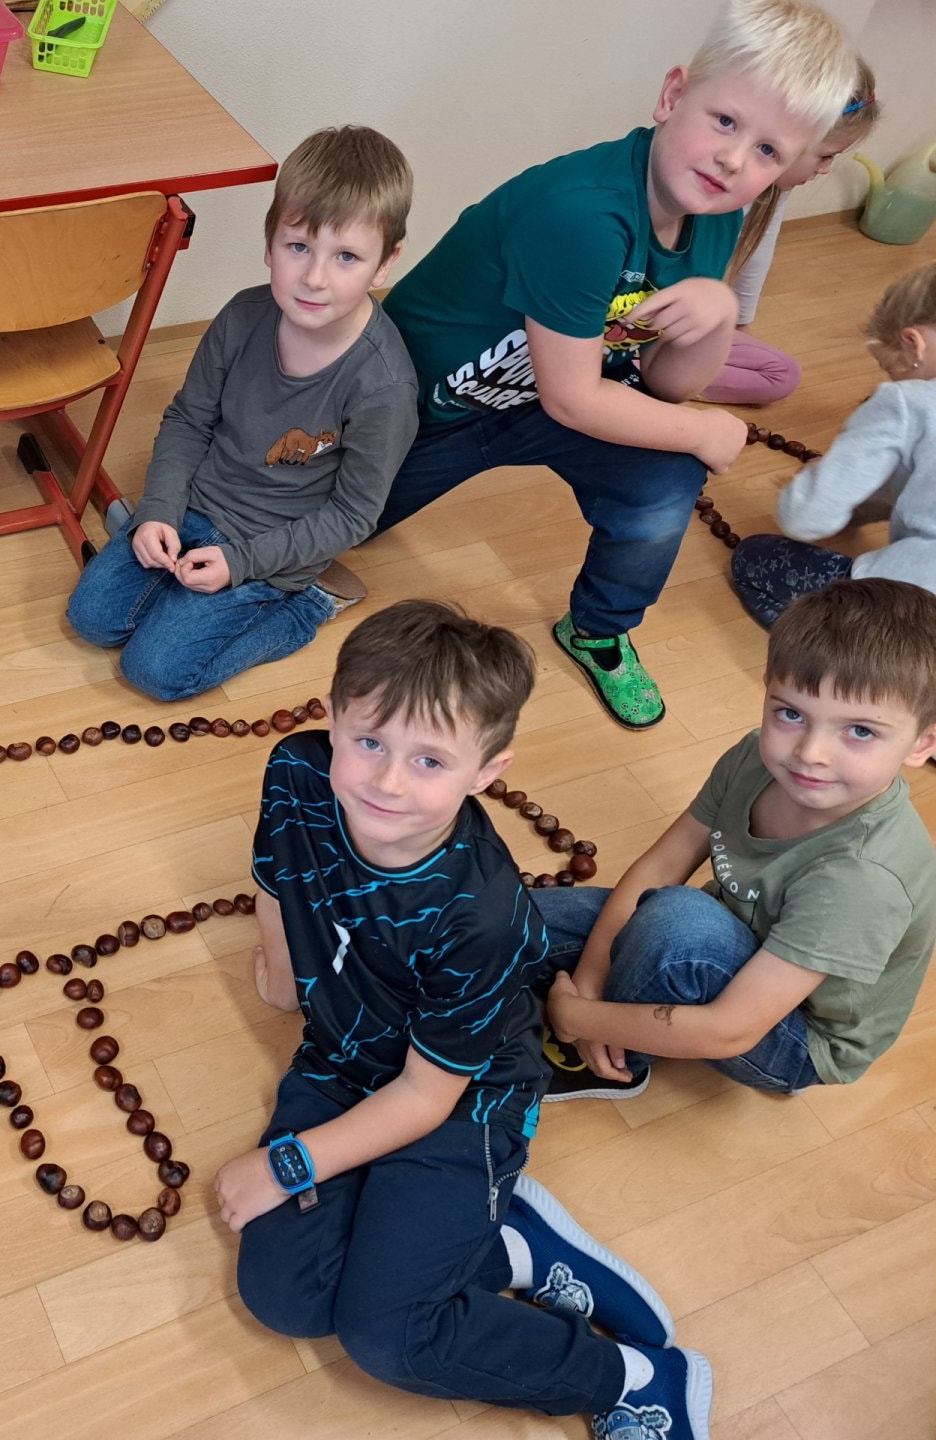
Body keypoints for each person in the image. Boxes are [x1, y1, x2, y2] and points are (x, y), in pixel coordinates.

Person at [221, 600, 709, 1437]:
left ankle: (633, 1378)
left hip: (462, 1101)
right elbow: (278, 872)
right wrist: (279, 972)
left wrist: (289, 1165)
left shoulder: (479, 914)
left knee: (388, 1336)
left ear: (488, 770)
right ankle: (510, 1249)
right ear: (332, 718)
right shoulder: (297, 769)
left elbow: (423, 1097)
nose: (387, 781)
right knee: (287, 1298)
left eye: (430, 760)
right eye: (369, 741)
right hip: (343, 1060)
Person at [374, 0, 858, 730]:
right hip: (429, 407)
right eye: (724, 121)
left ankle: (597, 629)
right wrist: (706, 430)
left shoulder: (718, 212)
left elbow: (668, 383)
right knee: (333, 534)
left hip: (548, 396)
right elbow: (574, 399)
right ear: (672, 96)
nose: (733, 159)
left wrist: (718, 311)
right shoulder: (581, 213)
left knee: (666, 476)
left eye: (766, 150)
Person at [539, 579, 936, 1103]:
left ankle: (613, 1062)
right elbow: (661, 865)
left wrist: (578, 1017)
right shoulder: (755, 756)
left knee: (678, 924)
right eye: (790, 714)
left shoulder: (865, 879)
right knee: (515, 913)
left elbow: (730, 1030)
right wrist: (591, 980)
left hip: (793, 1034)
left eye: (860, 731)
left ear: (923, 744)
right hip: (724, 939)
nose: (810, 752)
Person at [64, 126, 419, 701]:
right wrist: (158, 511)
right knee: (93, 620)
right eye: (298, 246)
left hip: (274, 547)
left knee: (155, 672)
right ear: (269, 243)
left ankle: (309, 605)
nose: (314, 277)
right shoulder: (241, 315)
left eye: (347, 257)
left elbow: (353, 514)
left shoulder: (384, 386)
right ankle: (173, 569)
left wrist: (241, 562)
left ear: (384, 264)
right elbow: (188, 420)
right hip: (198, 505)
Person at [730, 262, 936, 625]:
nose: (893, 380)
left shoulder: (906, 403)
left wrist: (814, 485)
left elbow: (805, 518)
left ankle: (842, 647)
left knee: (752, 559)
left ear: (913, 343)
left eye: (892, 369)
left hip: (912, 613)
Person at [700, 61, 880, 405]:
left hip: (682, 327)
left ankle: (652, 378)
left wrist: (740, 322)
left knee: (781, 374)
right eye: (825, 156)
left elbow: (757, 245)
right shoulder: (707, 189)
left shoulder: (772, 190)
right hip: (636, 321)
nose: (825, 169)